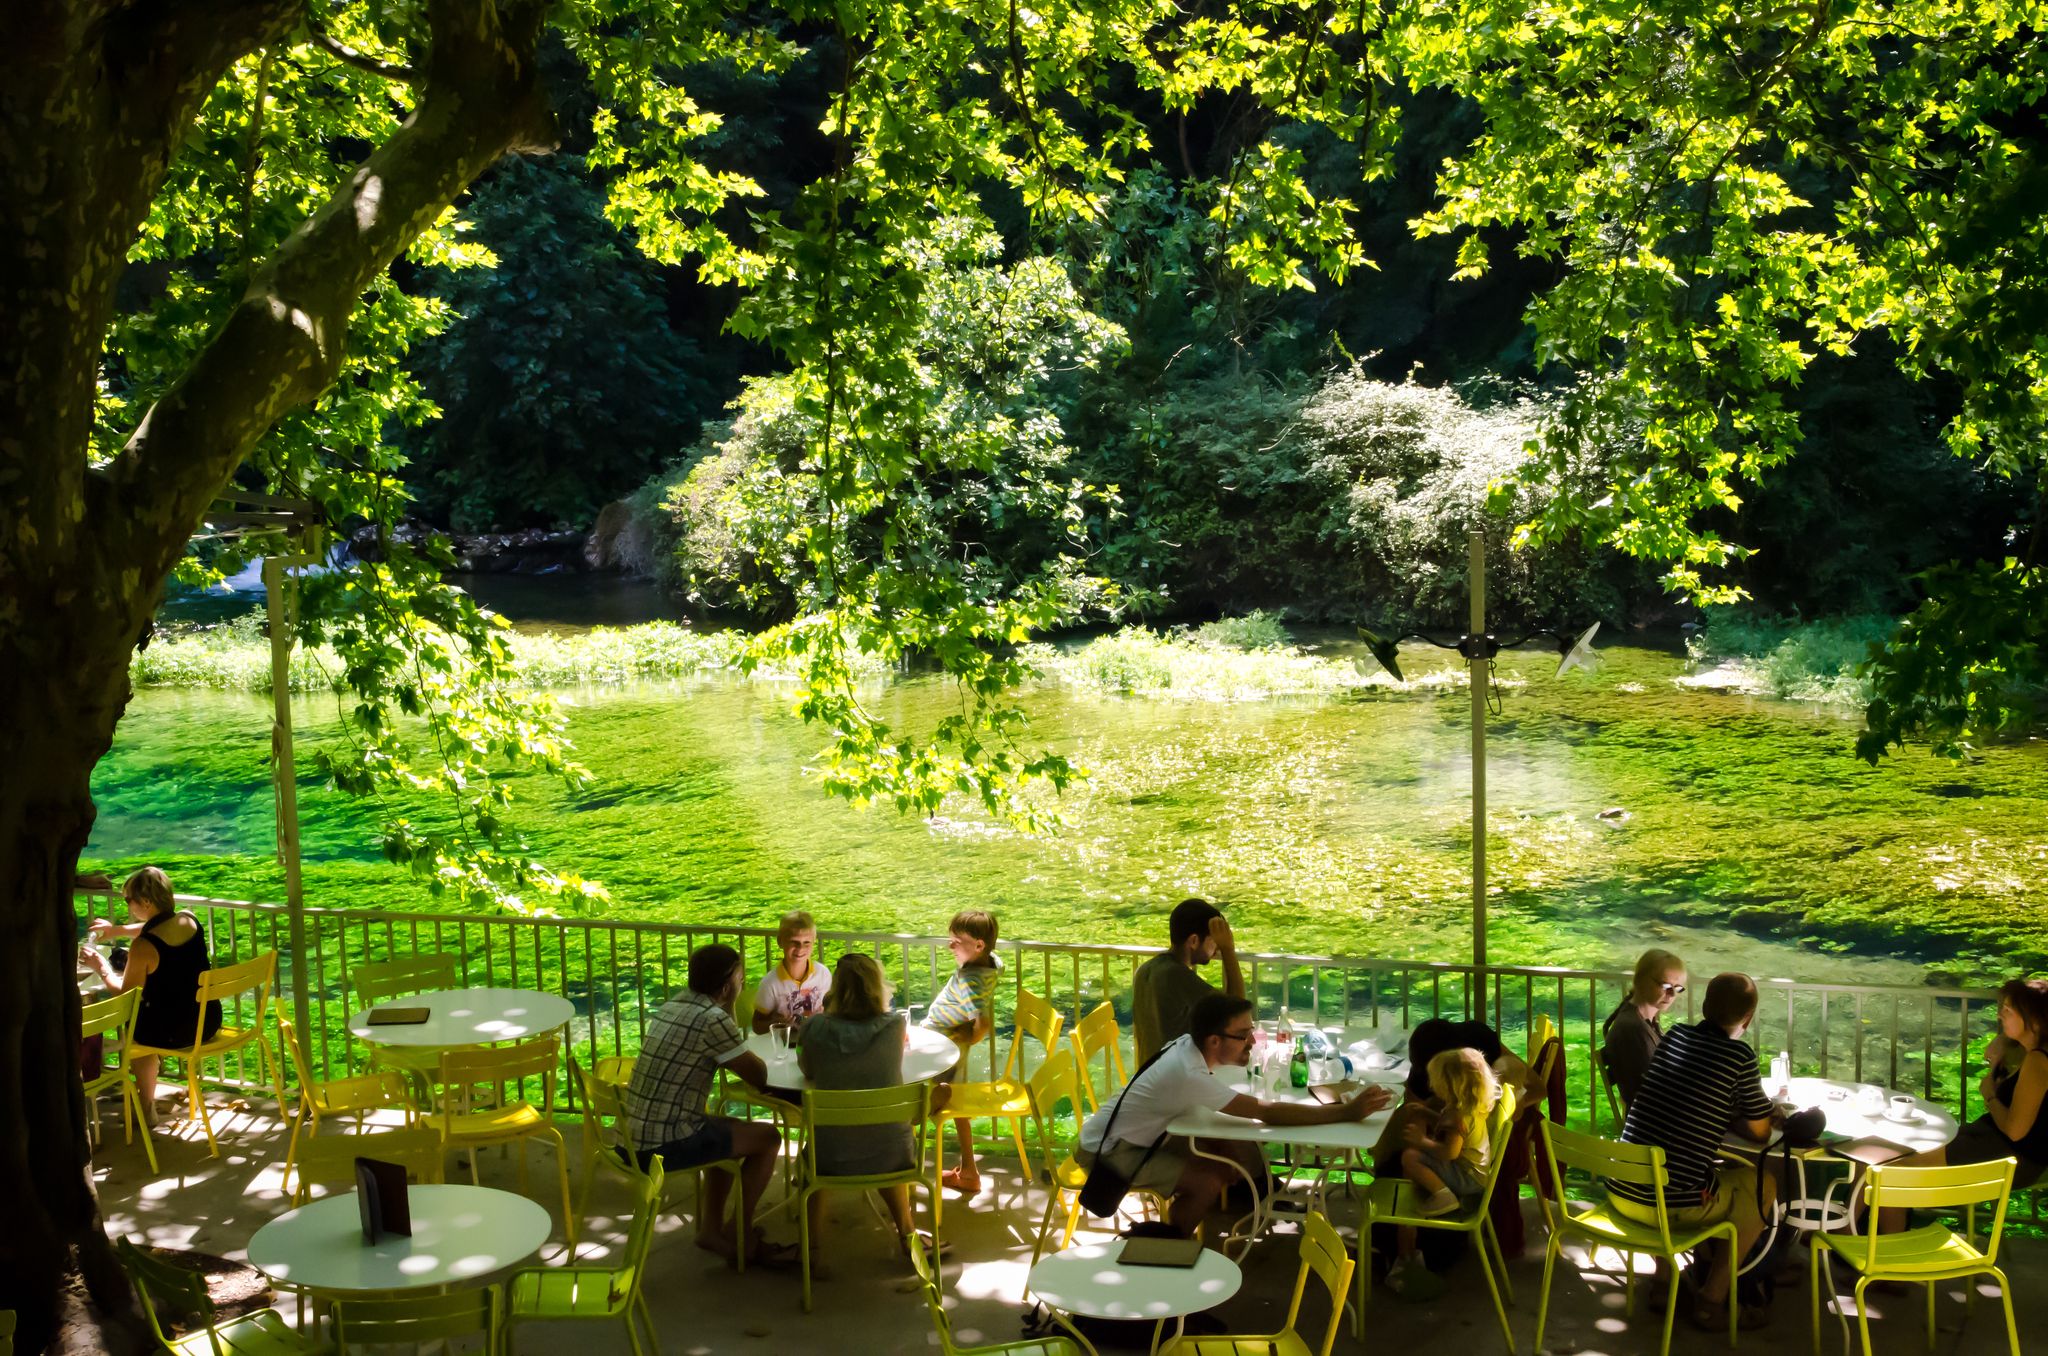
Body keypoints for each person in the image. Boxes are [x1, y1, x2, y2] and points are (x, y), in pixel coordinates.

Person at [1077, 993, 1392, 1236]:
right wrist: (1345, 1112)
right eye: (1244, 1036)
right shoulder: (1189, 1073)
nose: (1252, 1042)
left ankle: (1261, 1197)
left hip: (1143, 1135)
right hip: (1107, 1152)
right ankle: (1170, 1249)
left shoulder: (1191, 1046)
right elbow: (1265, 1113)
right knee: (1209, 1180)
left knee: (1231, 1145)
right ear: (1215, 1040)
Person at [1609, 971, 1776, 1331]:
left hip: (1622, 1190)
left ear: (1702, 1006)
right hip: (1670, 1206)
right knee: (1762, 1185)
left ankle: (1664, 1283)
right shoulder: (1739, 1057)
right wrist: (1745, 1114)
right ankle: (1711, 1299)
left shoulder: (1675, 1037)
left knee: (1674, 1171)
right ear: (1748, 1018)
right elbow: (1761, 1133)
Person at [628, 943, 792, 1267]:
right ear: (729, 982)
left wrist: (728, 1006)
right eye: (741, 977)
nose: (744, 982)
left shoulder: (677, 1003)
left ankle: (712, 1231)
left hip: (633, 1136)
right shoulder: (711, 1019)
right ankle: (739, 1232)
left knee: (725, 1130)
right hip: (666, 1144)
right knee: (768, 1138)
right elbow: (757, 1076)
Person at [797, 954, 949, 1270]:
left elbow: (808, 1069)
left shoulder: (815, 1027)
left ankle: (810, 1248)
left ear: (835, 989)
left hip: (831, 1158)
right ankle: (907, 1234)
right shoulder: (894, 1026)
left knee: (822, 1151)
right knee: (881, 1134)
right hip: (893, 1154)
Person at [1879, 977, 2048, 1229]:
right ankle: (1850, 1235)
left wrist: (1990, 1094)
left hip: (2008, 1157)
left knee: (1889, 1170)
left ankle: (1883, 1252)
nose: (2000, 1015)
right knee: (1885, 1157)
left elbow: (2015, 1130)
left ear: (2032, 1018)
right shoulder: (2029, 1049)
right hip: (1988, 1142)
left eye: (2008, 1010)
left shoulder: (2037, 1062)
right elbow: (2001, 1044)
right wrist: (2003, 1042)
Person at [79, 867, 221, 1121]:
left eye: (128, 900)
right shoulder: (188, 920)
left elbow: (125, 995)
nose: (127, 905)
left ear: (145, 902)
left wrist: (100, 967)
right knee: (152, 1015)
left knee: (138, 1033)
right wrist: (117, 931)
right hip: (206, 1021)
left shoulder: (144, 946)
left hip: (175, 1033)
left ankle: (146, 1110)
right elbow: (155, 926)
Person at [1387, 1048, 1500, 1297]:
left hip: (1466, 1180)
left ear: (1449, 1085)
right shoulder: (1468, 1107)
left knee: (1410, 1157)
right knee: (1413, 1160)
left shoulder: (1457, 1116)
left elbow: (1449, 1152)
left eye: (1436, 1080)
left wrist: (1421, 1140)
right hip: (1476, 1176)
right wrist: (1427, 1113)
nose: (1431, 1085)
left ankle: (1443, 1195)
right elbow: (1449, 1129)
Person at [921, 909, 1002, 1194]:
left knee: (924, 1100)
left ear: (979, 945)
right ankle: (969, 1170)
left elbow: (983, 1024)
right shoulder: (992, 962)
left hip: (943, 1047)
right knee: (957, 1107)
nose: (950, 945)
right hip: (947, 1041)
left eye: (957, 941)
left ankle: (903, 1161)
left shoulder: (971, 981)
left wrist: (966, 1036)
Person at [1131, 898, 1246, 1065]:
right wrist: (1228, 949)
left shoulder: (1146, 969)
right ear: (1193, 941)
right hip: (1171, 1082)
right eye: (1214, 941)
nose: (1217, 949)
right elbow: (1237, 1010)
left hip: (1148, 1075)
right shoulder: (1175, 975)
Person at [1603, 948, 1687, 1106]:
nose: (1672, 994)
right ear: (1641, 980)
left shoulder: (1642, 1021)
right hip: (1653, 1121)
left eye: (1677, 988)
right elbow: (1652, 1093)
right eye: (1666, 985)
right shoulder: (1634, 1029)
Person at [753, 910, 831, 1033]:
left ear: (813, 943)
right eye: (794, 942)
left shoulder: (823, 974)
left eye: (806, 943)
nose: (800, 948)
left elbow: (831, 1009)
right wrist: (778, 1023)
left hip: (816, 1039)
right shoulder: (770, 983)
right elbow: (757, 1026)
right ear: (780, 942)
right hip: (786, 1044)